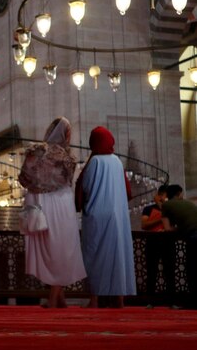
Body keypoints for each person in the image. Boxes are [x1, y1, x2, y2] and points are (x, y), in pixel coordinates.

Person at [18, 117, 87, 308]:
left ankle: (59, 298)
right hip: (61, 205)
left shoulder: (37, 152)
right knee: (63, 249)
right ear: (65, 134)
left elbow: (23, 178)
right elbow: (67, 182)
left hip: (40, 204)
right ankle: (53, 299)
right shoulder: (66, 157)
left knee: (50, 248)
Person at [75, 126, 136, 308]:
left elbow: (84, 187)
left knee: (94, 256)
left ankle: (94, 299)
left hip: (96, 216)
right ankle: (119, 299)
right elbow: (126, 191)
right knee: (117, 256)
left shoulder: (94, 162)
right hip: (117, 217)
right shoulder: (117, 162)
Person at [161, 184, 197, 308]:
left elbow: (167, 229)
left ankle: (192, 302)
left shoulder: (166, 205)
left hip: (193, 236)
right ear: (179, 194)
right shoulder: (189, 204)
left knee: (191, 268)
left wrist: (176, 229)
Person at [141, 185, 176, 305]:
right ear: (161, 195)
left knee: (169, 271)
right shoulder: (148, 209)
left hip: (168, 242)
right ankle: (150, 301)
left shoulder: (170, 208)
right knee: (151, 271)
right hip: (153, 241)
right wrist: (161, 219)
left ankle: (172, 301)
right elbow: (144, 225)